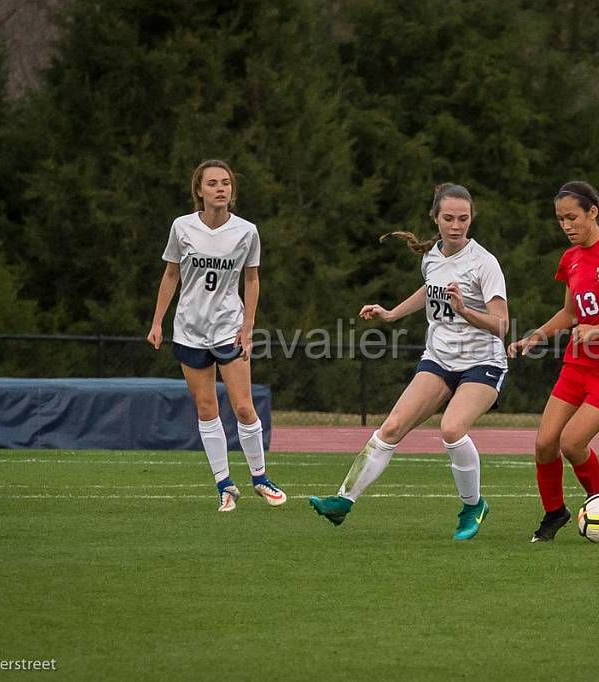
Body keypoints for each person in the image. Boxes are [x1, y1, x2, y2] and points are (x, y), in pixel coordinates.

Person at [308, 183, 509, 540]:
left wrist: (465, 310)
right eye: (448, 218)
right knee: (391, 427)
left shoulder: (485, 263)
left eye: (463, 219)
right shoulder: (431, 255)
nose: (456, 225)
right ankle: (343, 501)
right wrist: (391, 313)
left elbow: (500, 325)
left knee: (451, 429)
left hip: (483, 362)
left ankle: (473, 505)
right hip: (440, 358)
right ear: (435, 217)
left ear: (471, 219)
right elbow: (428, 289)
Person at [508, 181, 599, 542]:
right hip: (579, 363)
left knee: (572, 442)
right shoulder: (570, 259)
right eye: (560, 219)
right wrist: (536, 336)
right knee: (545, 444)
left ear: (593, 212)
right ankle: (554, 514)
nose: (567, 225)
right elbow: (571, 313)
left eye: (572, 217)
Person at [147, 159, 286, 512]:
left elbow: (252, 279)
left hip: (229, 327)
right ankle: (224, 485)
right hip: (190, 329)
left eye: (225, 183)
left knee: (243, 406)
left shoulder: (246, 231)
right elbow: (171, 275)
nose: (220, 188)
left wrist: (248, 326)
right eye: (212, 183)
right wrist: (157, 322)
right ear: (199, 190)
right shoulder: (182, 228)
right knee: (206, 407)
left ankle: (260, 478)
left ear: (232, 191)